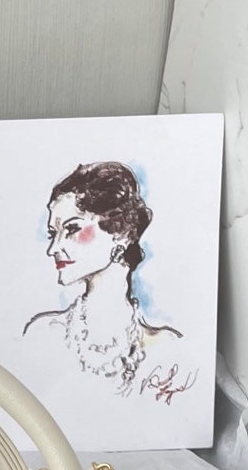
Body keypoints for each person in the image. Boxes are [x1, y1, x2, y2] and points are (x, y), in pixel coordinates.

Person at [22, 161, 183, 392]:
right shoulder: (43, 334)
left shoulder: (167, 348)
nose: (53, 248)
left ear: (121, 233)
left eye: (72, 229)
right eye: (52, 234)